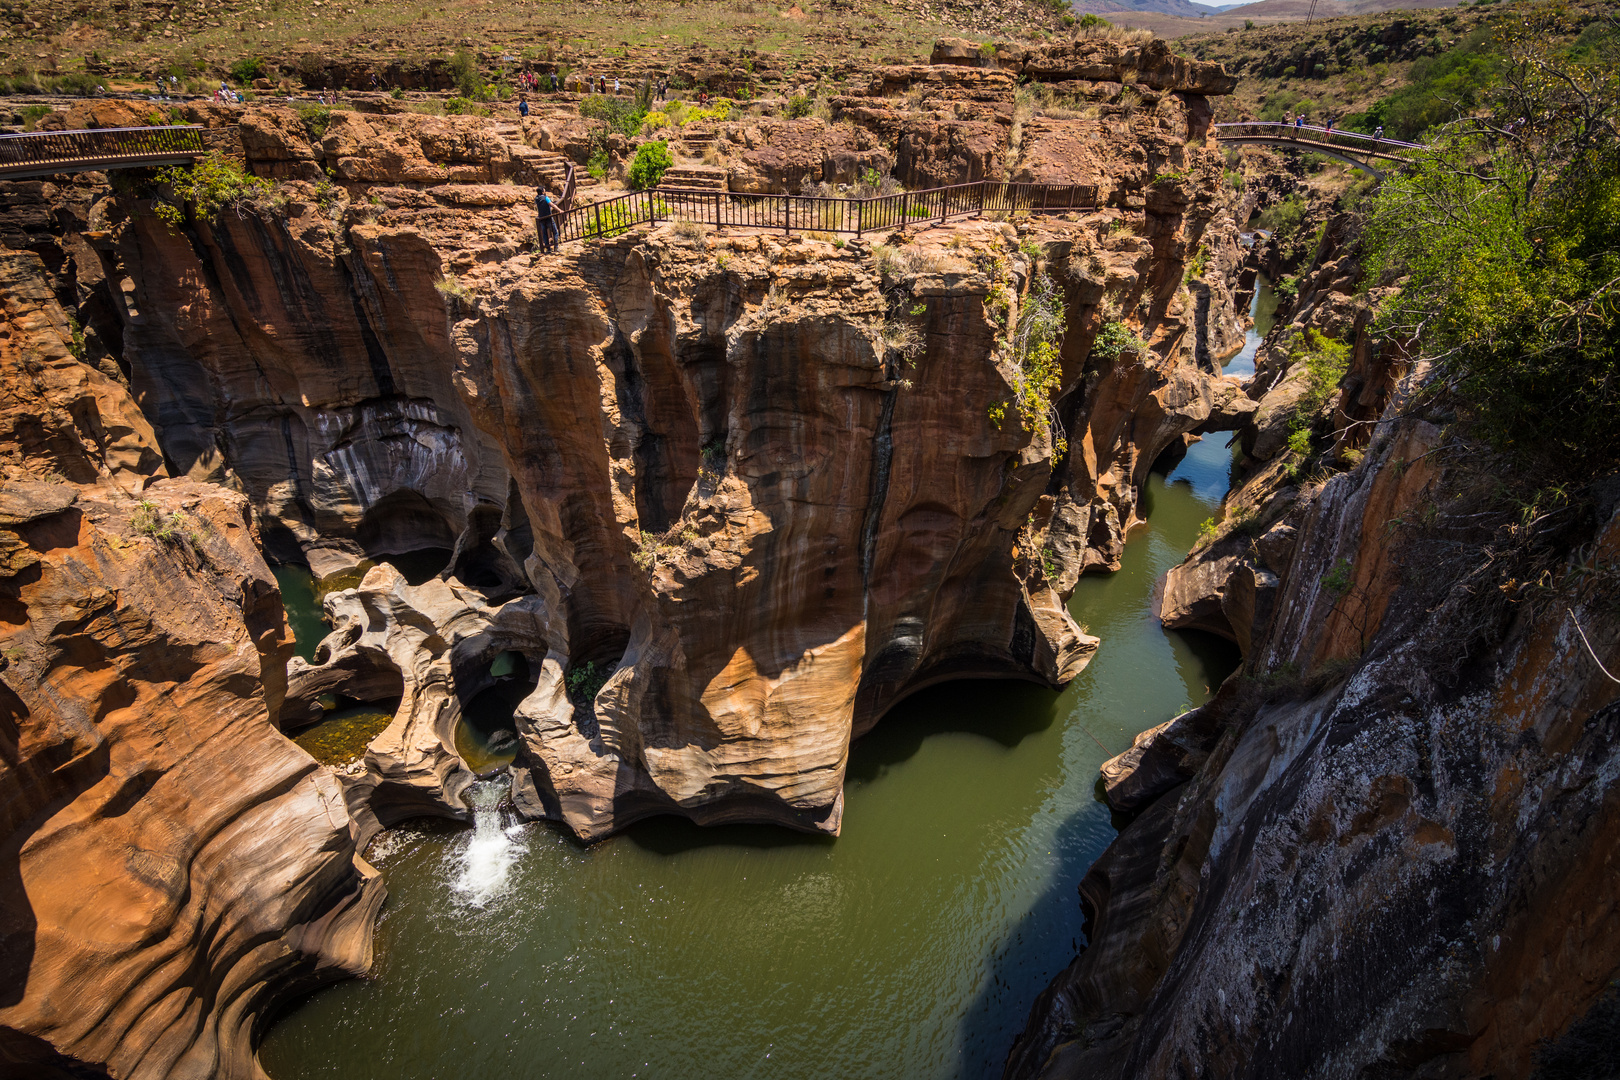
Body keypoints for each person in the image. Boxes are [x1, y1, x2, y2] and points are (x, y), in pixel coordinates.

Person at [536, 189, 560, 254]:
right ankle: (556, 247)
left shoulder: (536, 199)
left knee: (545, 234)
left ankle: (548, 249)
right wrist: (559, 210)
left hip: (541, 218)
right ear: (543, 192)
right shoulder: (545, 198)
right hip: (548, 217)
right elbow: (552, 204)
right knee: (555, 232)